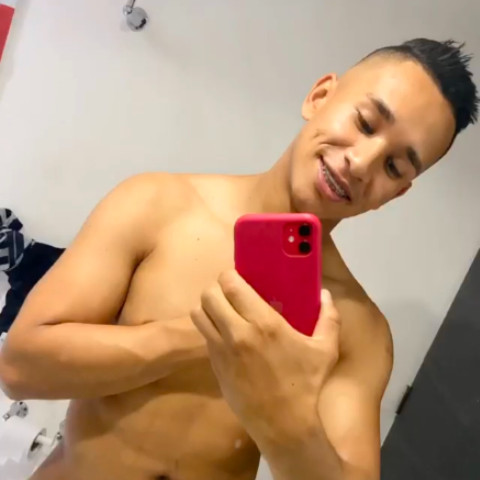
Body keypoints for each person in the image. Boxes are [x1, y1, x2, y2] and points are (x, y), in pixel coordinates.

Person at [0, 38, 478, 480]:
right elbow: (18, 371)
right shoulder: (158, 205)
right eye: (366, 123)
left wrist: (283, 410)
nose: (362, 162)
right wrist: (207, 336)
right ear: (320, 96)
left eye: (394, 166)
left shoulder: (357, 330)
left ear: (397, 193)